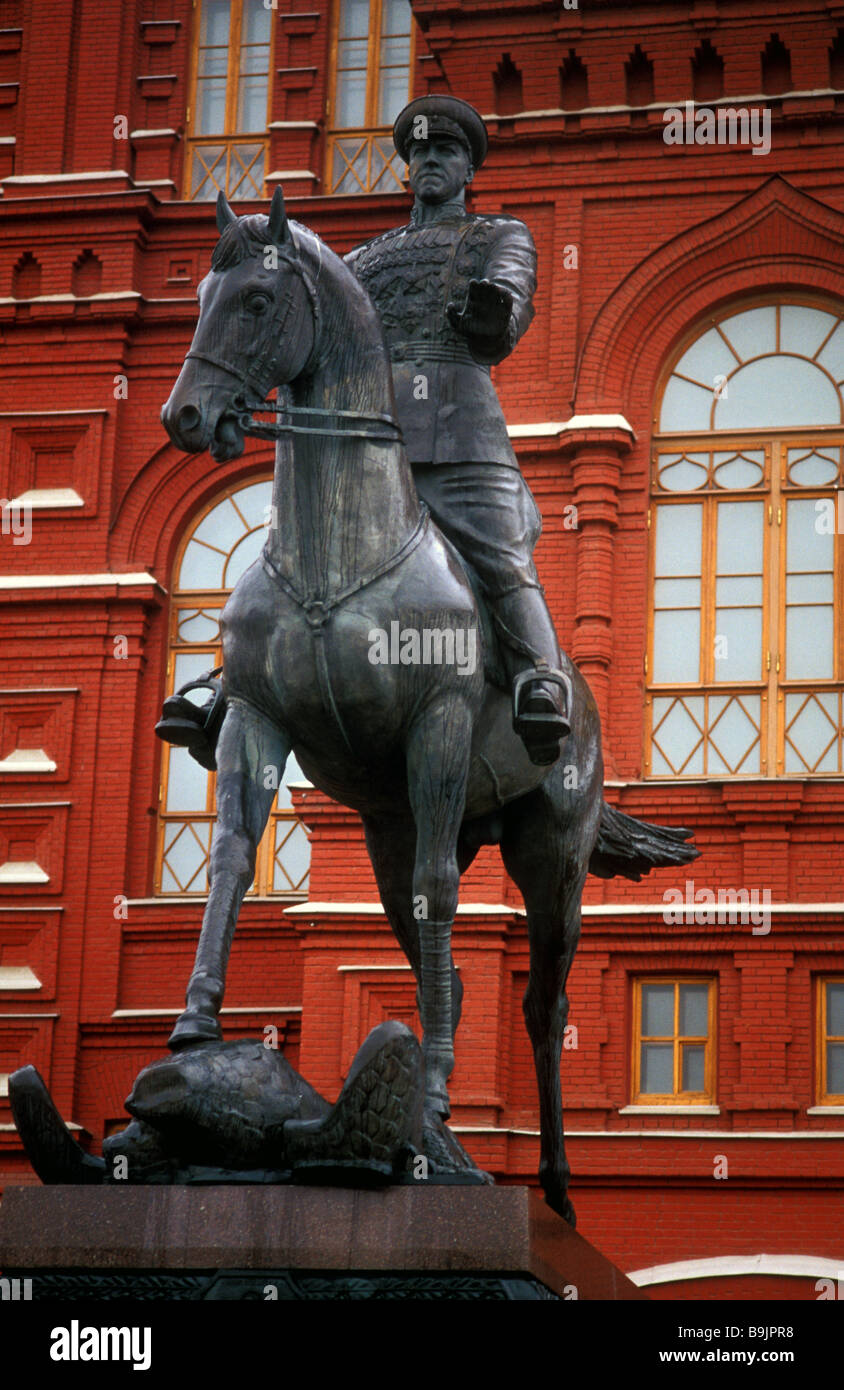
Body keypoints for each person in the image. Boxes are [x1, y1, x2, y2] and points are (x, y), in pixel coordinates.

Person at [344, 94, 571, 765]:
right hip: (370, 439)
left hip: (460, 431)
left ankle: (541, 682)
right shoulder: (362, 260)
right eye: (419, 154)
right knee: (292, 543)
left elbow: (508, 307)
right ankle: (231, 684)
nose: (430, 163)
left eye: (444, 152)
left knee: (501, 555)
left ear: (468, 169)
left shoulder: (498, 235)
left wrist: (493, 306)